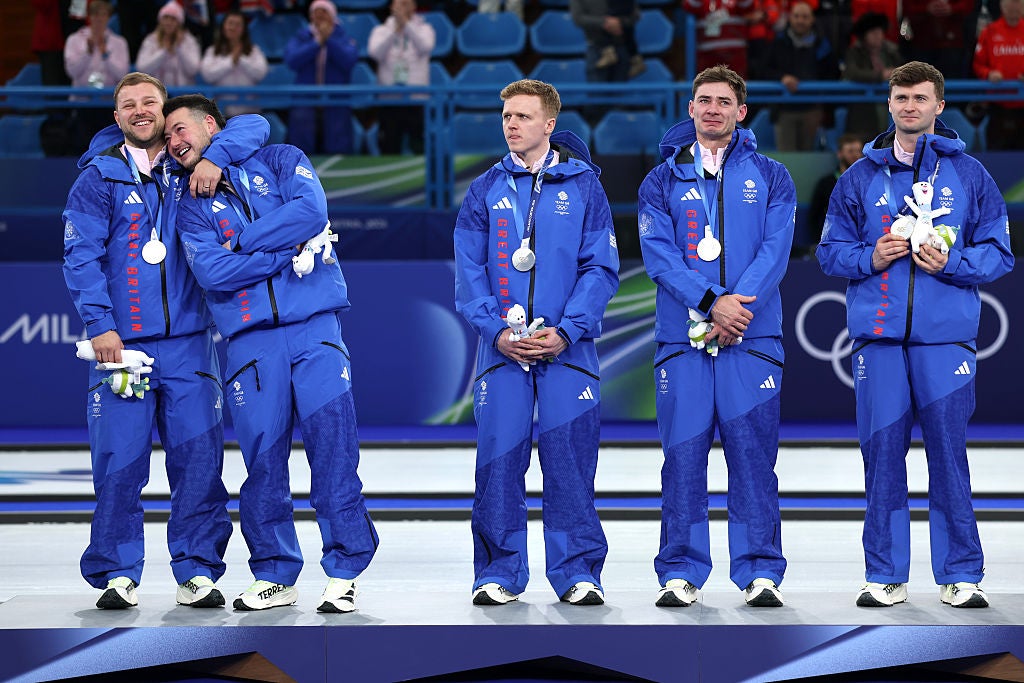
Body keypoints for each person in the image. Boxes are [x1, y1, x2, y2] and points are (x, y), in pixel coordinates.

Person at [62, 72, 270, 610]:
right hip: (122, 345)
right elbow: (80, 256)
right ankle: (116, 572)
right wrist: (100, 325)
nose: (139, 111)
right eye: (127, 105)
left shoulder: (190, 166)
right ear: (116, 117)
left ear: (162, 107)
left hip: (188, 343)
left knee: (199, 460)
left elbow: (255, 126)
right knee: (118, 459)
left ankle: (197, 570)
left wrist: (213, 159)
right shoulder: (97, 178)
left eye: (149, 102)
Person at [167, 94, 379, 613]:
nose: (172, 144)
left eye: (179, 130)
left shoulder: (282, 160)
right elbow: (213, 273)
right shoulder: (189, 205)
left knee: (334, 450)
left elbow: (313, 212)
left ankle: (344, 570)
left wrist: (241, 243)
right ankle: (276, 574)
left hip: (314, 329)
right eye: (167, 137)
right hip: (249, 342)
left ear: (210, 126)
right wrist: (284, 251)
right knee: (263, 462)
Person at [817, 61, 1014, 608]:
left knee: (949, 455)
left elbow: (999, 254)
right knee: (882, 456)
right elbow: (830, 253)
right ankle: (884, 574)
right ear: (889, 104)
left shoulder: (970, 174)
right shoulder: (858, 176)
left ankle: (962, 574)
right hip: (879, 343)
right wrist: (869, 255)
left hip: (945, 342)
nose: (910, 106)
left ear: (939, 106)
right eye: (901, 97)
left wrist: (951, 262)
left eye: (921, 98)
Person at [453, 79, 620, 607]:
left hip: (567, 349)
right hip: (501, 352)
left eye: (522, 116)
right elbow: (469, 273)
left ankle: (577, 573)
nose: (510, 124)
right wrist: (496, 331)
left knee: (570, 461)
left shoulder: (585, 187)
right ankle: (498, 571)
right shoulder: (483, 189)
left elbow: (600, 267)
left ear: (550, 124)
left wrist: (567, 329)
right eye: (506, 116)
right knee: (498, 462)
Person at [637, 65, 795, 608]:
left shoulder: (774, 175)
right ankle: (681, 570)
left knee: (753, 455)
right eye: (703, 100)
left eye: (723, 102)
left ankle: (760, 571)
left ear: (741, 112)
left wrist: (735, 310)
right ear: (690, 109)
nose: (712, 109)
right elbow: (658, 257)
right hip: (683, 339)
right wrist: (710, 303)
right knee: (682, 456)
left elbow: (776, 251)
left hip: (751, 337)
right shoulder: (660, 180)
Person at [283, 0, 359, 154]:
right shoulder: (302, 37)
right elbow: (291, 60)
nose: (319, 18)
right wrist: (317, 42)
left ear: (332, 16)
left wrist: (329, 40)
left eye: (324, 14)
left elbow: (349, 60)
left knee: (337, 147)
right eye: (316, 14)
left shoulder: (342, 37)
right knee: (302, 148)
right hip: (305, 101)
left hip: (336, 102)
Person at [763, 1, 840, 151]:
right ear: (790, 18)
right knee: (786, 163)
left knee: (810, 161)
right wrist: (782, 77)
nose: (800, 20)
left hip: (812, 111)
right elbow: (764, 70)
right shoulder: (778, 43)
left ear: (812, 20)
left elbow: (833, 73)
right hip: (784, 111)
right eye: (796, 16)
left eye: (805, 17)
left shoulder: (822, 45)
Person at [367, 0, 435, 154]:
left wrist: (406, 25)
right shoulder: (381, 30)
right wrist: (394, 31)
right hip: (389, 100)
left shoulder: (425, 28)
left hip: (417, 100)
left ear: (414, 7)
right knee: (389, 147)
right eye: (399, 4)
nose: (402, 8)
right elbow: (374, 53)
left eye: (406, 3)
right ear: (392, 7)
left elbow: (426, 46)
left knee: (419, 148)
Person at [972, 0, 1024, 151]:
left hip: (1022, 104)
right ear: (1002, 6)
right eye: (1010, 3)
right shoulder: (989, 31)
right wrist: (988, 74)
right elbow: (977, 64)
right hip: (998, 106)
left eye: (1018, 3)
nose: (1014, 7)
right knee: (997, 152)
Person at [842, 12, 903, 142]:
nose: (877, 36)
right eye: (873, 32)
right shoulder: (855, 52)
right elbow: (852, 72)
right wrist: (880, 75)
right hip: (862, 108)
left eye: (879, 32)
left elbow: (904, 69)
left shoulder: (891, 51)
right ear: (864, 36)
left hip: (889, 104)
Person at [199, 11, 269, 117]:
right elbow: (207, 75)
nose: (233, 27)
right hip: (222, 113)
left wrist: (241, 59)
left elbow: (261, 73)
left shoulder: (253, 51)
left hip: (250, 112)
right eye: (230, 23)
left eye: (238, 25)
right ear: (223, 27)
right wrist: (230, 62)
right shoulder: (213, 51)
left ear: (243, 29)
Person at [806, 133, 863, 251]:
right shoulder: (825, 183)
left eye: (858, 151)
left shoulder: (867, 183)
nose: (855, 155)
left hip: (861, 242)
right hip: (831, 242)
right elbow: (814, 216)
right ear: (839, 154)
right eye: (850, 151)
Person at [570, 0, 645, 82]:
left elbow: (635, 15)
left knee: (620, 91)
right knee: (597, 91)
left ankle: (635, 59)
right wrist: (604, 22)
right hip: (596, 48)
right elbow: (578, 18)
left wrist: (619, 22)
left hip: (622, 48)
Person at [136, 1, 202, 87]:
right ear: (160, 20)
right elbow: (142, 68)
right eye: (166, 18)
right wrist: (163, 52)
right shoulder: (151, 40)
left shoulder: (189, 41)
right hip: (157, 94)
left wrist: (179, 48)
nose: (168, 22)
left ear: (179, 22)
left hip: (183, 94)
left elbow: (193, 70)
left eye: (173, 19)